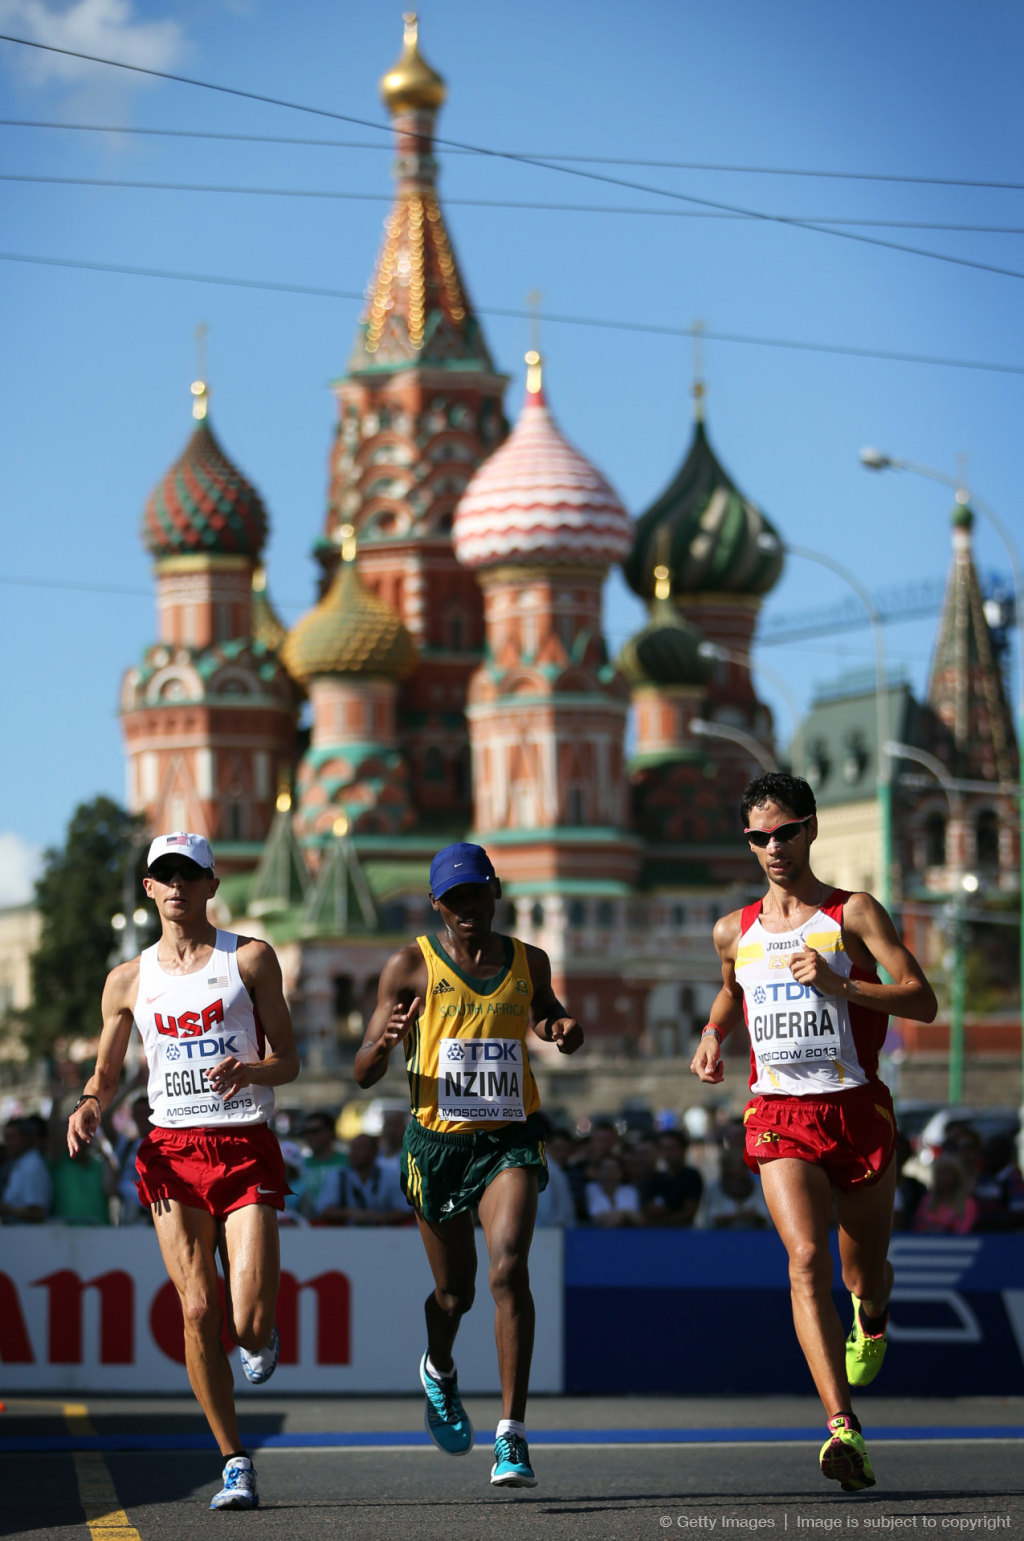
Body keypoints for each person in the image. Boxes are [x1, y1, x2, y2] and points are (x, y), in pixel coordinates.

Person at [691, 772, 937, 1495]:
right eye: (759, 836)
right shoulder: (732, 929)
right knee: (804, 1258)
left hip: (856, 1110)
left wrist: (843, 985)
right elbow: (733, 987)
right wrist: (712, 1033)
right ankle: (842, 1426)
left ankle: (875, 1314)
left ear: (811, 829)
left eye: (786, 831)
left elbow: (921, 998)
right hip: (779, 1114)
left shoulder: (852, 913)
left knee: (863, 1273)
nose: (774, 847)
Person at [66, 831, 299, 1512]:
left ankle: (262, 1332)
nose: (176, 887)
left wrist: (250, 1069)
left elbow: (288, 1059)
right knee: (198, 1308)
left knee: (248, 1324)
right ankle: (233, 1459)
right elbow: (106, 1073)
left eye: (188, 875)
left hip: (243, 1143)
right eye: (163, 876)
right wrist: (88, 1104)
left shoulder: (249, 959)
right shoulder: (128, 979)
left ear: (210, 885)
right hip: (171, 1150)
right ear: (148, 889)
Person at [353, 840, 583, 1489]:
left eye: (477, 895)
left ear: (496, 892)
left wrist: (563, 1029)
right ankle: (440, 1366)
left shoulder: (528, 959)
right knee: (455, 1292)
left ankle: (512, 1436)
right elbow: (364, 1070)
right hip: (438, 1148)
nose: (468, 910)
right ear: (436, 905)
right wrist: (385, 1042)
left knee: (509, 1267)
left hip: (508, 1137)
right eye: (454, 900)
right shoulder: (410, 965)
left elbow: (548, 1015)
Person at [315, 1131, 409, 1225]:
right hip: (345, 1236)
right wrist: (351, 1214)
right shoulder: (337, 1176)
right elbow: (324, 1210)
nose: (354, 1152)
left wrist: (380, 1218)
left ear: (373, 1152)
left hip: (383, 1235)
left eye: (360, 1148)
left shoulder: (390, 1176)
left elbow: (405, 1209)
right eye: (352, 1148)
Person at [0, 1116, 52, 1223]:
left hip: (28, 1237)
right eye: (6, 1138)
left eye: (12, 1138)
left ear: (27, 1138)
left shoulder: (33, 1167)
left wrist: (5, 1209)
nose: (8, 1144)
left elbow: (38, 1213)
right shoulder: (19, 1164)